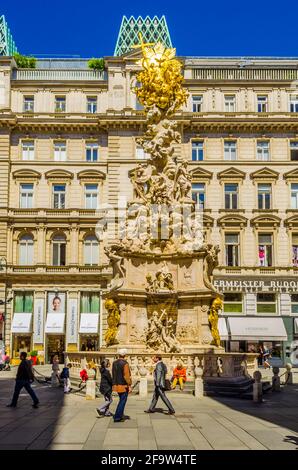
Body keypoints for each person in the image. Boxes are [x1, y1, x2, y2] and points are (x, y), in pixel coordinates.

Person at [112, 349, 132, 423]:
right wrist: (129, 385)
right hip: (123, 385)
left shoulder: (114, 363)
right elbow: (126, 376)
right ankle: (117, 417)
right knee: (122, 401)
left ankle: (120, 414)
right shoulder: (125, 363)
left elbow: (113, 374)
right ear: (125, 355)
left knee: (121, 400)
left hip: (116, 384)